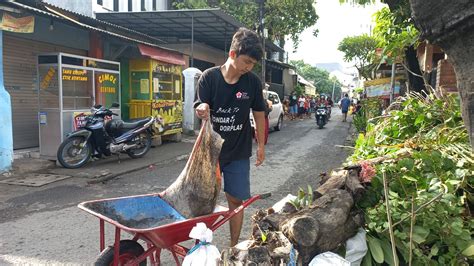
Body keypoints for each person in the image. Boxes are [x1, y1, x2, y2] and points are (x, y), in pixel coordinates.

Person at [194, 27, 265, 247]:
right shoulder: (209, 78)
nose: (249, 68)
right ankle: (201, 245)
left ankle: (233, 246)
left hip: (238, 152)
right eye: (246, 62)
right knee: (203, 202)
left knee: (236, 200)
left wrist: (261, 145)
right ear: (233, 54)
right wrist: (202, 108)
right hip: (210, 152)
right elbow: (201, 105)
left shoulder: (252, 82)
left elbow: (259, 115)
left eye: (253, 64)